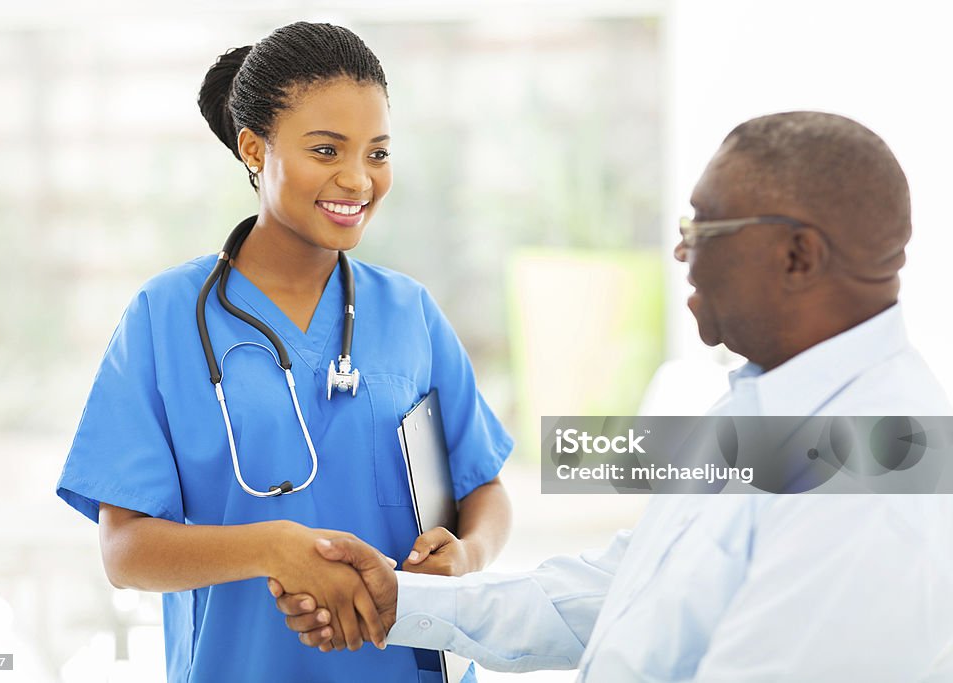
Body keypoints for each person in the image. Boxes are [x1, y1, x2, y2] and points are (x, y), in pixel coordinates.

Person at [272, 112, 953, 681]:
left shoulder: (880, 474)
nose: (683, 255)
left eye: (703, 231)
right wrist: (404, 600)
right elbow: (625, 587)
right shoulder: (773, 405)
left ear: (798, 256)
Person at [55, 22, 513, 683]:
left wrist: (466, 555)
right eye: (326, 149)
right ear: (253, 148)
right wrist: (275, 547)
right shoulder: (165, 316)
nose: (357, 179)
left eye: (377, 153)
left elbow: (485, 488)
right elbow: (125, 551)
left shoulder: (408, 310)